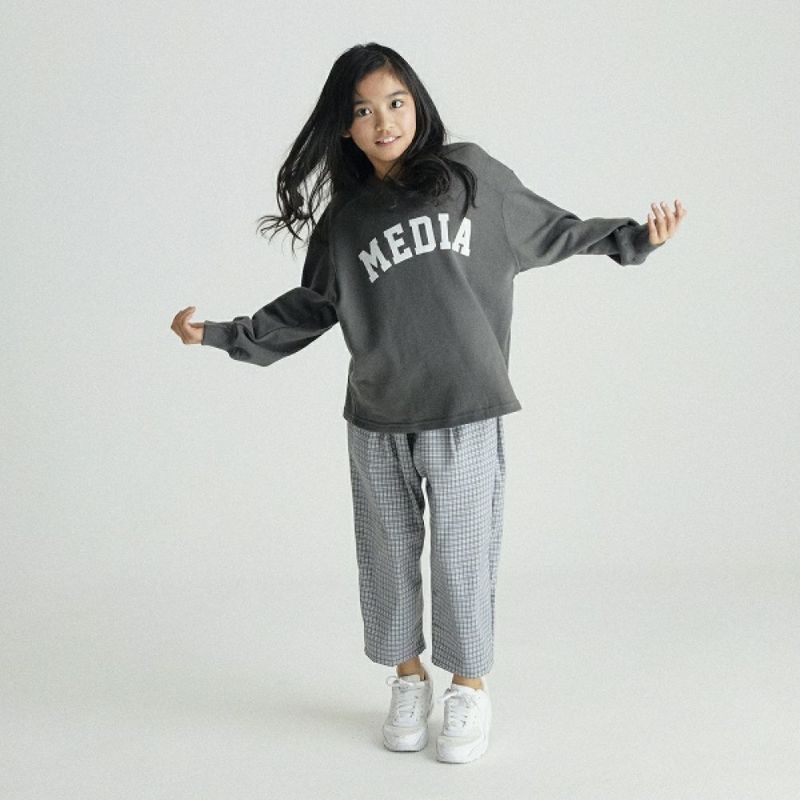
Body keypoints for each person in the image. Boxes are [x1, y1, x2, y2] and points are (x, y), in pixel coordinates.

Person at [170, 42, 686, 763]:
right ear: (344, 127)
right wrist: (224, 334)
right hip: (378, 416)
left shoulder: (470, 177)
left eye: (395, 102)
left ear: (417, 103)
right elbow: (311, 306)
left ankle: (468, 688)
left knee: (463, 555)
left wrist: (632, 239)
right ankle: (408, 679)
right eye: (363, 111)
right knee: (385, 555)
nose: (383, 121)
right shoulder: (346, 220)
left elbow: (551, 227)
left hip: (465, 407)